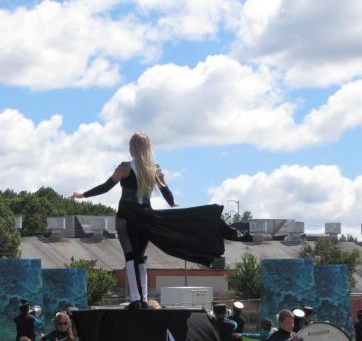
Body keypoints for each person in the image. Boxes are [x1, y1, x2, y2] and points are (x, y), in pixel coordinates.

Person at [71, 132, 246, 309]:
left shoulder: (124, 167)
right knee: (140, 259)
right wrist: (172, 202)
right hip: (146, 217)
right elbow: (165, 190)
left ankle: (135, 299)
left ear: (132, 147)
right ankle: (144, 299)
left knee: (130, 257)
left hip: (127, 216)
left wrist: (83, 194)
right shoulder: (153, 169)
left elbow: (106, 186)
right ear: (148, 148)